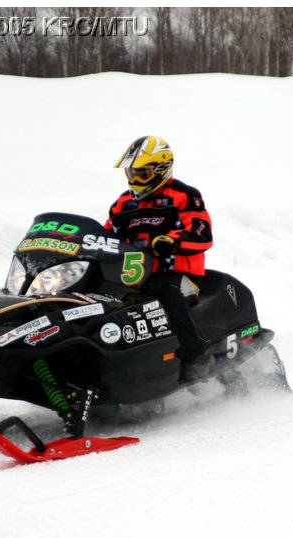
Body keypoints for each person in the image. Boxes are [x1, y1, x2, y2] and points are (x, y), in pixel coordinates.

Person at [105, 135, 215, 383]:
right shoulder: (122, 204)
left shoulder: (184, 195)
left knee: (164, 289)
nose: (135, 179)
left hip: (176, 273)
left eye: (142, 173)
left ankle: (196, 353)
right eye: (131, 173)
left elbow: (202, 232)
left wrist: (172, 241)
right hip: (132, 276)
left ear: (161, 170)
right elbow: (104, 235)